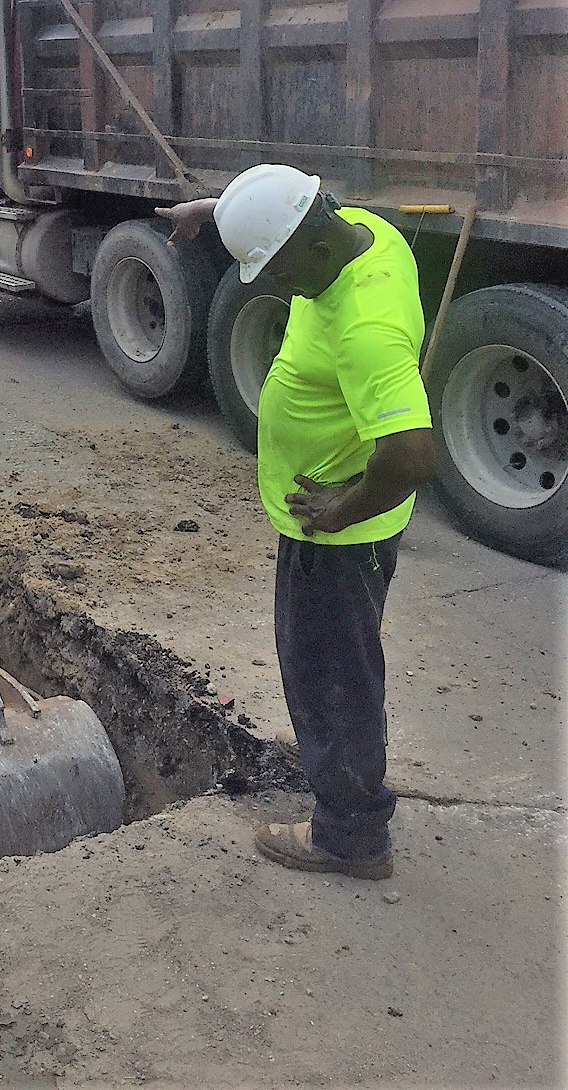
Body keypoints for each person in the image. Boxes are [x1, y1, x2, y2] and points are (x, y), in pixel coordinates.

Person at [159, 165, 436, 881]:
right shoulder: (363, 234)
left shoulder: (366, 328)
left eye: (275, 272)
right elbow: (295, 213)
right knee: (337, 661)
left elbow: (411, 455)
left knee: (329, 674)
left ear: (310, 249)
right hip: (342, 527)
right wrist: (221, 212)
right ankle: (346, 785)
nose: (274, 287)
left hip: (339, 538)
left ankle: (349, 836)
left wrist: (341, 507)